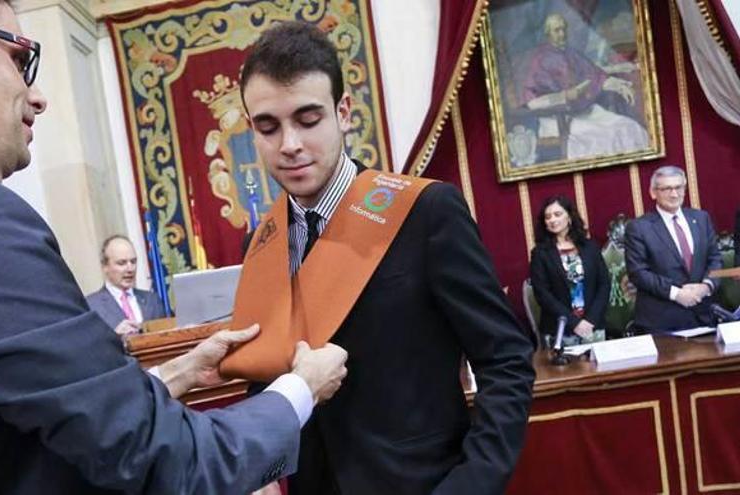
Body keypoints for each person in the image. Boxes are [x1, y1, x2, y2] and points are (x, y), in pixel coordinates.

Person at [0, 2, 349, 494]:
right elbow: (171, 462)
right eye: (20, 59)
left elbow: (7, 430)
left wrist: (177, 371)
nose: (38, 96)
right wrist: (301, 389)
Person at [234, 21, 536, 494]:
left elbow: (507, 361)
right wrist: (263, 474)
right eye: (268, 126)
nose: (289, 144)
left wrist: (470, 485)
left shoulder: (426, 213)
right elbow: (266, 371)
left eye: (308, 119)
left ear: (344, 112)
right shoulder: (261, 243)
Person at [518, 12, 649, 160]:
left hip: (586, 112)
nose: (562, 34)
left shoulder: (571, 53)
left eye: (564, 29)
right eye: (557, 30)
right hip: (557, 119)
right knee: (603, 138)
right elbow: (532, 102)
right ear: (547, 33)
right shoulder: (538, 60)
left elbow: (595, 75)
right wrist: (564, 96)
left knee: (629, 127)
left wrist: (619, 86)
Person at [625, 165, 722, 332]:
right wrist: (677, 294)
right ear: (653, 192)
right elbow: (638, 272)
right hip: (661, 321)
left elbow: (715, 259)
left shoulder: (701, 218)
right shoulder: (639, 227)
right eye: (666, 189)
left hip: (703, 315)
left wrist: (706, 286)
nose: (674, 194)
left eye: (678, 187)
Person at [529, 196, 609, 344]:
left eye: (557, 214)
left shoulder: (590, 246)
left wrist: (591, 320)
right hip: (560, 331)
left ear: (569, 217)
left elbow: (604, 284)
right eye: (548, 217)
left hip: (593, 327)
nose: (552, 220)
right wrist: (574, 322)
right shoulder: (540, 253)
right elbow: (542, 294)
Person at [86, 234, 165, 336]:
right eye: (122, 263)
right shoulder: (91, 306)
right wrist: (114, 336)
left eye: (133, 261)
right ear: (105, 266)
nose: (130, 269)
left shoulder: (152, 300)